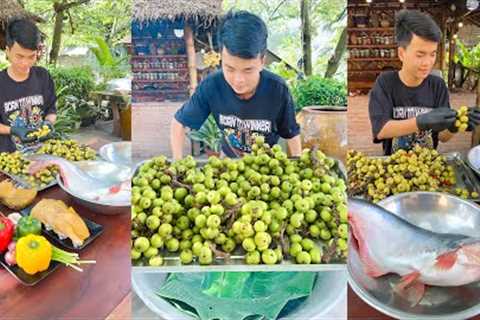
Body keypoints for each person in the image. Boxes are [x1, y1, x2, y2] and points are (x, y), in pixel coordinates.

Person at [171, 11, 301, 159]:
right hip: (228, 162)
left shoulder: (277, 89)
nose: (238, 80)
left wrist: (298, 165)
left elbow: (291, 133)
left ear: (262, 61)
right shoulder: (211, 86)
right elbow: (179, 123)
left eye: (248, 70)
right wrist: (177, 164)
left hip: (266, 166)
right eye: (230, 69)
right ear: (221, 58)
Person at [368, 9, 480, 155]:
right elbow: (380, 130)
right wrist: (420, 122)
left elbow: (442, 136)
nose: (427, 63)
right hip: (394, 165)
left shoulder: (437, 85)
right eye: (420, 55)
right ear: (402, 53)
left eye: (432, 54)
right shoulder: (385, 83)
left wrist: (455, 126)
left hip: (428, 165)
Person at [0, 18, 56, 153]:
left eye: (31, 57)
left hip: (41, 154)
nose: (25, 63)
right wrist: (13, 130)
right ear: (7, 51)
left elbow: (51, 110)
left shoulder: (43, 76)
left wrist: (48, 124)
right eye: (19, 56)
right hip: (10, 158)